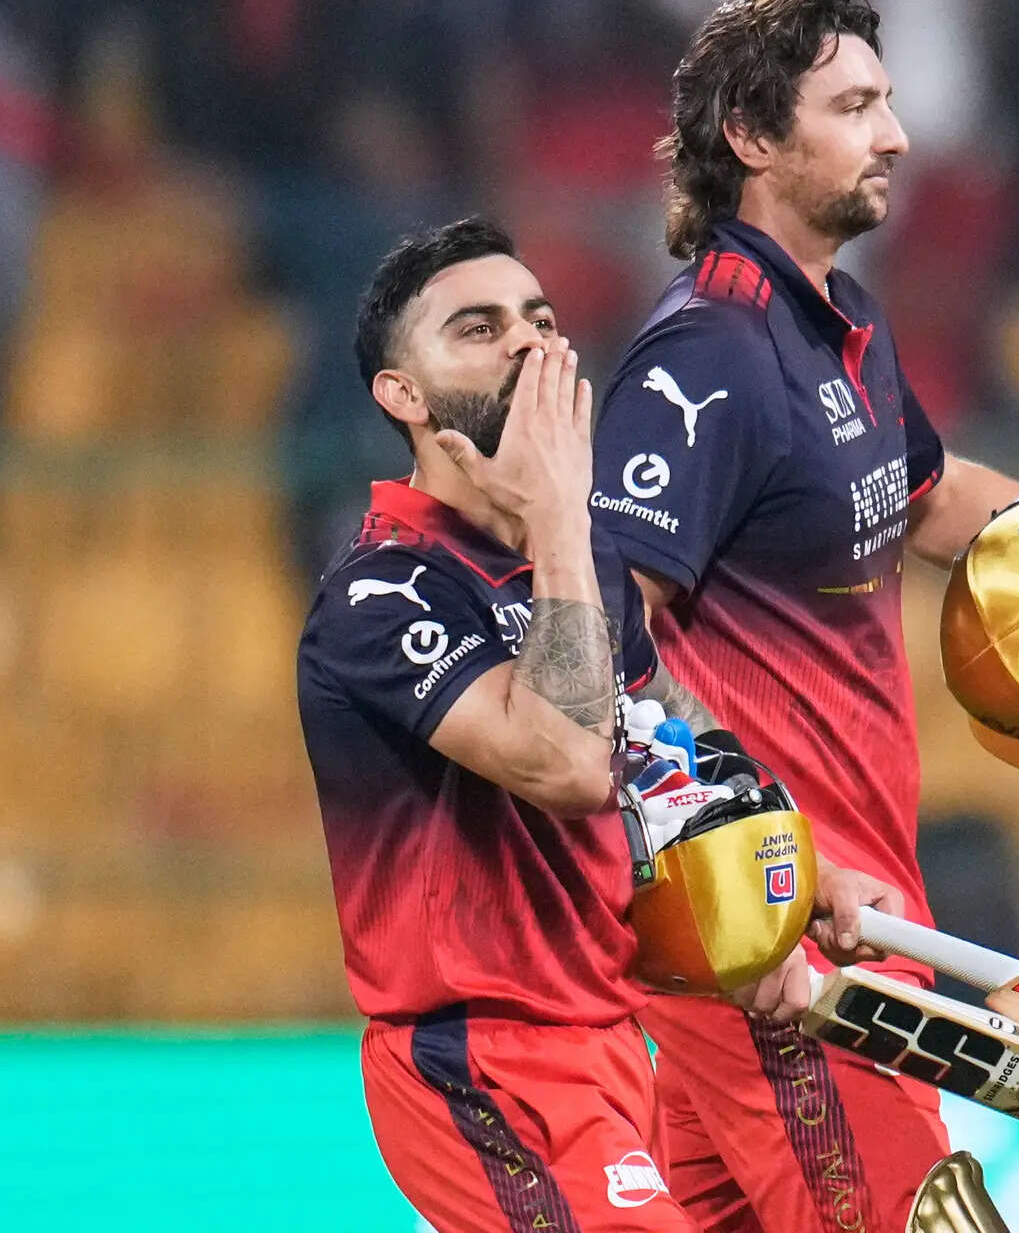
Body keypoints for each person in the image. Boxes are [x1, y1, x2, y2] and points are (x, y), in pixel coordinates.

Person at [590, 0, 1019, 1232]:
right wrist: (763, 865)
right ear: (752, 135)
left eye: (886, 103)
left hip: (844, 914)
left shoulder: (843, 327)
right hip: (784, 943)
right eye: (853, 108)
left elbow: (934, 501)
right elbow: (599, 631)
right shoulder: (707, 355)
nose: (894, 135)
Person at [296, 219, 892, 1233]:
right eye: (477, 328)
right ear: (403, 394)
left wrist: (798, 870)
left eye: (538, 318)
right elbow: (570, 763)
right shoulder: (381, 594)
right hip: (485, 1058)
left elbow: (659, 739)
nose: (526, 342)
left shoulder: (580, 561)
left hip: (614, 1037)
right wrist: (561, 518)